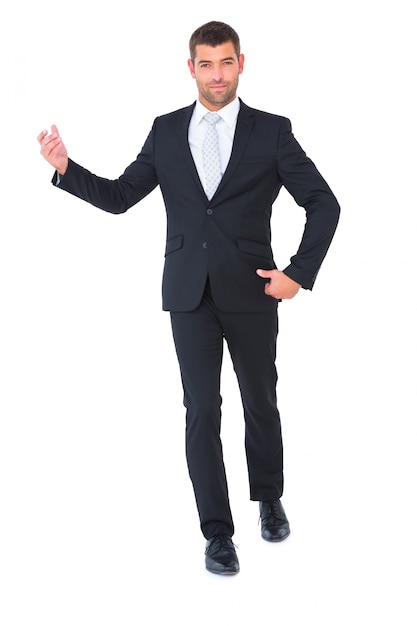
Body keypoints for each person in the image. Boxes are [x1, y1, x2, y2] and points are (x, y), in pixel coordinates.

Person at [37, 20, 340, 576]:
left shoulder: (272, 131)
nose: (217, 74)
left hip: (252, 290)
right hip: (187, 295)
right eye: (206, 63)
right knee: (202, 410)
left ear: (241, 64)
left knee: (260, 403)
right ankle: (217, 533)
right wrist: (66, 170)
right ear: (191, 68)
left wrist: (298, 274)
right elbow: (122, 195)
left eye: (226, 62)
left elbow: (324, 203)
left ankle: (268, 499)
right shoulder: (166, 129)